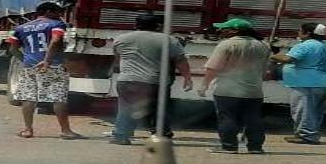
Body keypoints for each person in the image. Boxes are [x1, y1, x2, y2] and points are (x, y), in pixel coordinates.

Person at [108, 14, 194, 145]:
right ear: (158, 26)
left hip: (126, 80)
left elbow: (118, 59)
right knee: (160, 109)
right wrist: (187, 78)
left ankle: (120, 135)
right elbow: (180, 61)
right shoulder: (168, 40)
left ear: (135, 25)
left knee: (125, 108)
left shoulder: (121, 39)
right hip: (155, 81)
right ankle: (161, 136)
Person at [7, 1, 84, 140]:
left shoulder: (21, 28)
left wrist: (25, 60)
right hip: (52, 65)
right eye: (57, 12)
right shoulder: (56, 25)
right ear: (48, 11)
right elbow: (55, 41)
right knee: (59, 97)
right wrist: (47, 60)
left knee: (29, 97)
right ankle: (65, 131)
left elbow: (12, 49)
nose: (60, 15)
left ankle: (27, 130)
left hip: (30, 66)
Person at [199, 18, 271, 154]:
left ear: (234, 30)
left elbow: (213, 68)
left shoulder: (226, 45)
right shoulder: (262, 46)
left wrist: (204, 85)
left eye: (223, 29)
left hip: (227, 90)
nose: (220, 31)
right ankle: (256, 147)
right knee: (254, 119)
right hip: (254, 91)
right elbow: (264, 71)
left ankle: (229, 146)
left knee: (227, 118)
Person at [270, 23, 326, 145]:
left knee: (303, 110)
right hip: (323, 83)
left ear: (308, 33)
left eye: (300, 31)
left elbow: (288, 59)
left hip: (308, 83)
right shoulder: (324, 45)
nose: (298, 33)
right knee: (314, 111)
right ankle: (308, 134)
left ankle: (307, 136)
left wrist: (272, 56)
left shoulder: (305, 45)